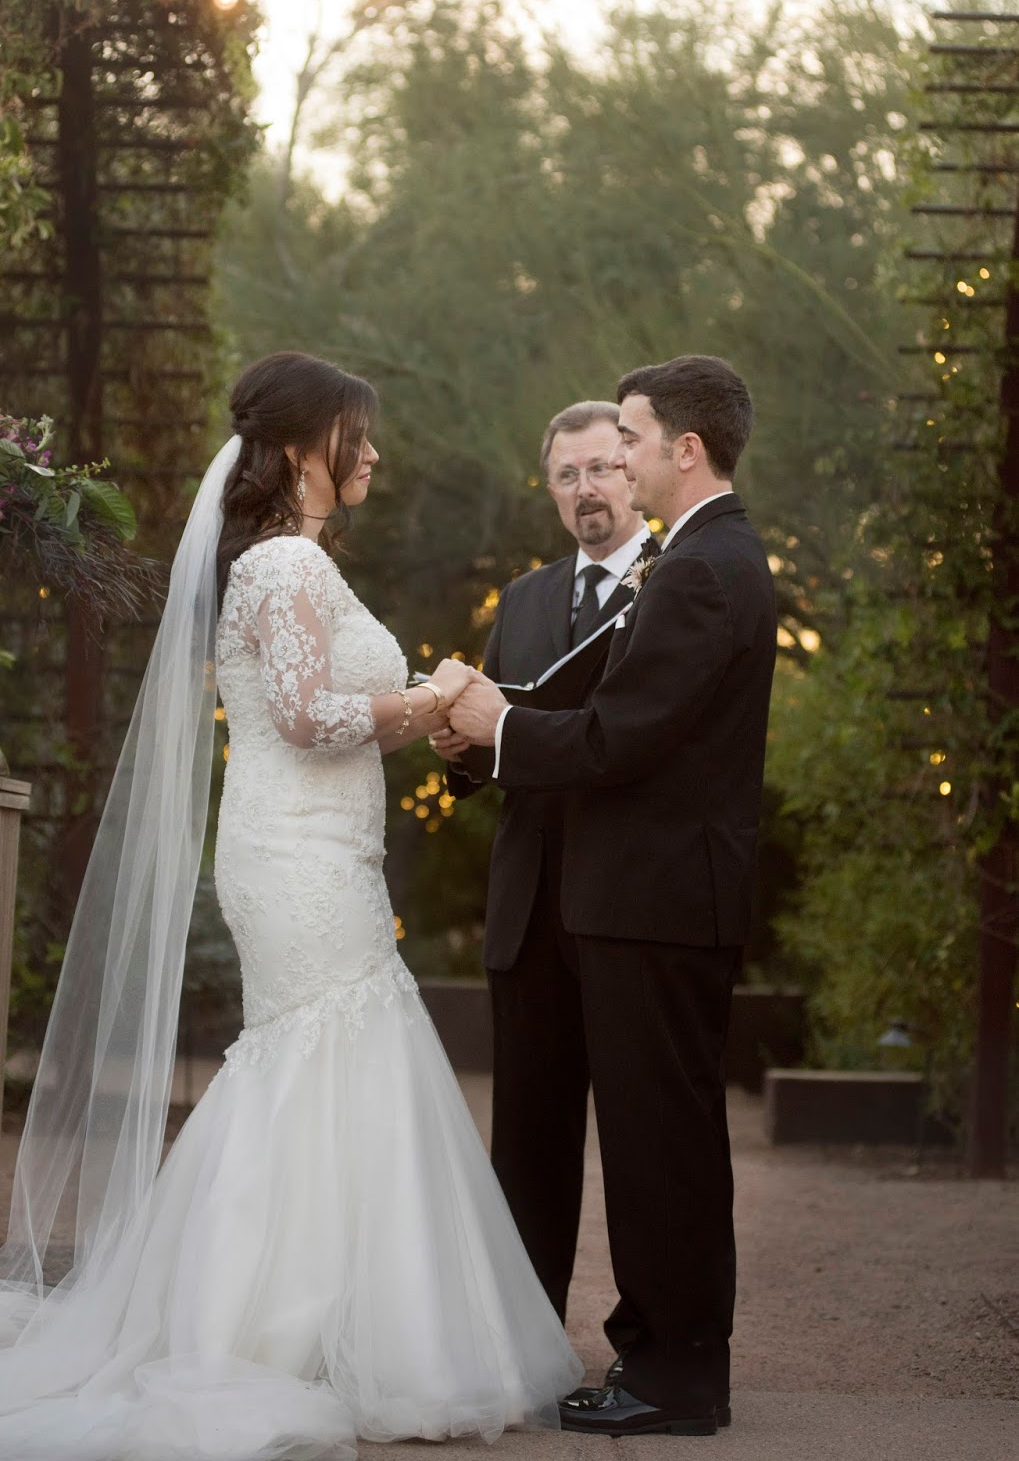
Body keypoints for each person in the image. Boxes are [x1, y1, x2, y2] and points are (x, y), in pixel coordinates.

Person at [0, 351, 582, 1461]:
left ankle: (319, 1323)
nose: (370, 452)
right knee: (321, 1055)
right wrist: (440, 694)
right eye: (353, 434)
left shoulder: (296, 564)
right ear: (302, 444)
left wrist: (426, 700)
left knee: (326, 1060)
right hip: (297, 858)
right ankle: (283, 1336)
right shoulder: (283, 569)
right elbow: (315, 715)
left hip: (322, 851)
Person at [450, 354, 777, 1439]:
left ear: (683, 448)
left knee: (661, 1150)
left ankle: (675, 1376)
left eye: (628, 439)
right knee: (654, 1144)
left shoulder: (695, 569)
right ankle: (664, 1364)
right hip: (641, 901)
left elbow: (619, 735)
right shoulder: (704, 559)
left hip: (656, 901)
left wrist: (494, 725)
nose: (618, 464)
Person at [433, 400, 652, 1324]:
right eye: (567, 475)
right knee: (526, 1141)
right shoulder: (521, 599)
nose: (585, 489)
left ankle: (650, 1342)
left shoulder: (673, 583)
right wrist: (458, 754)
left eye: (601, 468)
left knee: (644, 1140)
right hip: (528, 909)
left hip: (631, 901)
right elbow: (499, 743)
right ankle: (520, 1341)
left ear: (633, 471)